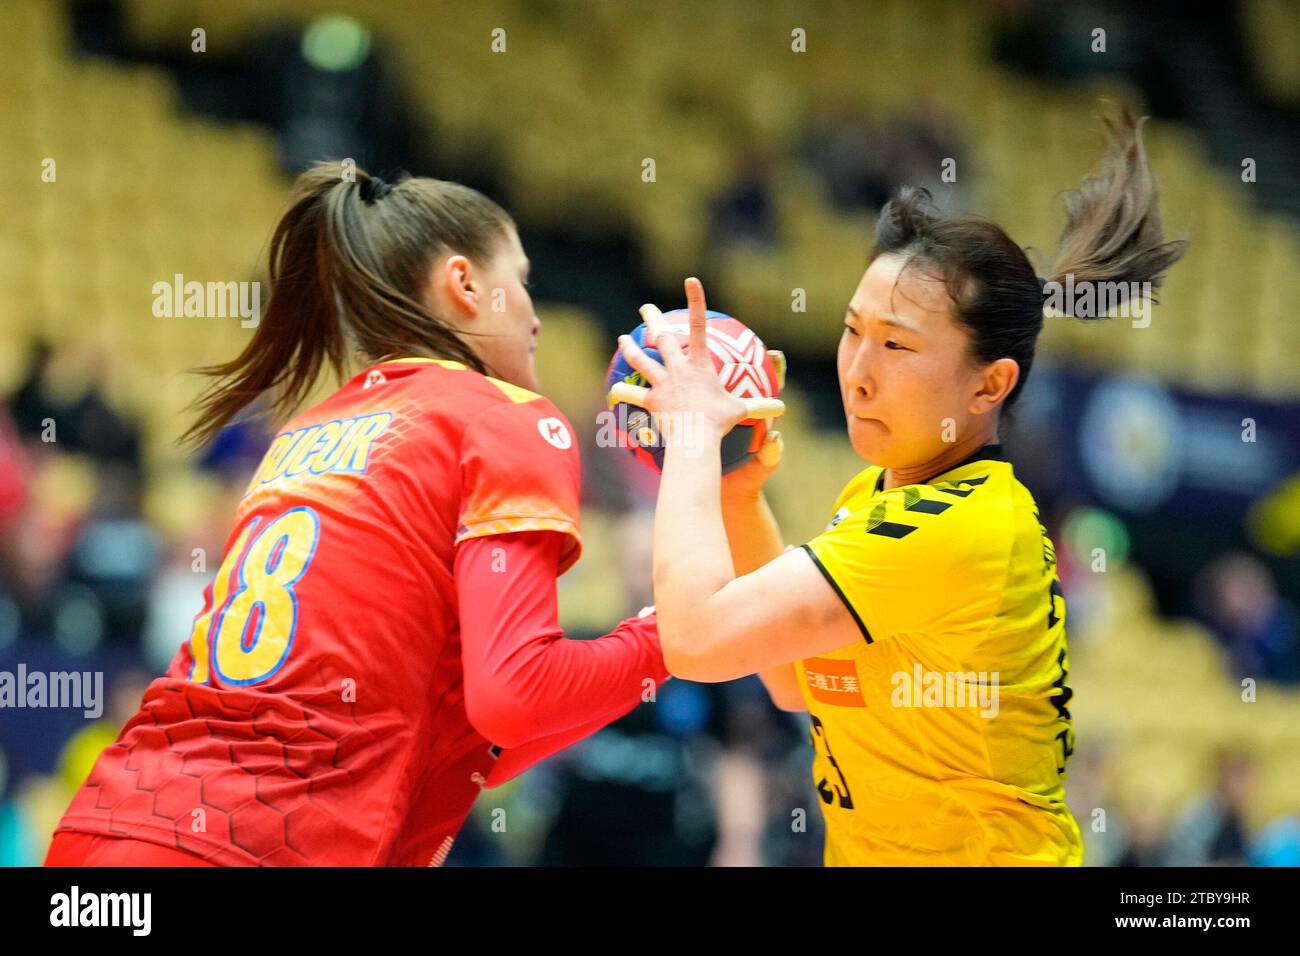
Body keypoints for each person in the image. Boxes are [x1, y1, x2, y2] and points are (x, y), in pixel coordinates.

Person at [46, 163, 669, 866]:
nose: (535, 314)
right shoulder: (502, 418)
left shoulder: (304, 434)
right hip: (264, 843)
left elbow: (478, 744)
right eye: (521, 280)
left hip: (111, 828)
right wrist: (670, 637)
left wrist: (648, 658)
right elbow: (517, 693)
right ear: (464, 284)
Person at [615, 108, 1186, 865]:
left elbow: (694, 640)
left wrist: (690, 433)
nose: (858, 369)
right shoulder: (879, 498)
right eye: (853, 331)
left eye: (896, 345)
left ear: (990, 385)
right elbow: (792, 681)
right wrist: (737, 494)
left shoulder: (959, 526)